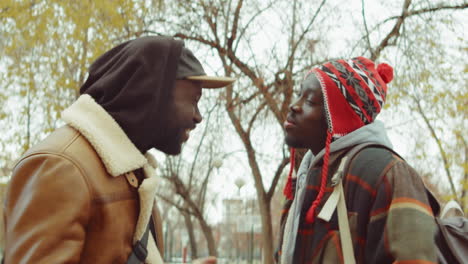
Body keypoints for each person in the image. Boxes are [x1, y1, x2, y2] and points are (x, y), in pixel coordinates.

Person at [1, 36, 234, 264]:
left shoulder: (134, 176)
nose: (198, 117)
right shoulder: (60, 167)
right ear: (153, 93)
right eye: (194, 100)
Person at [276, 57, 437, 263]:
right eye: (299, 96)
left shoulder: (385, 172)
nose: (293, 106)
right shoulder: (302, 181)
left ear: (339, 117)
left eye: (309, 101)